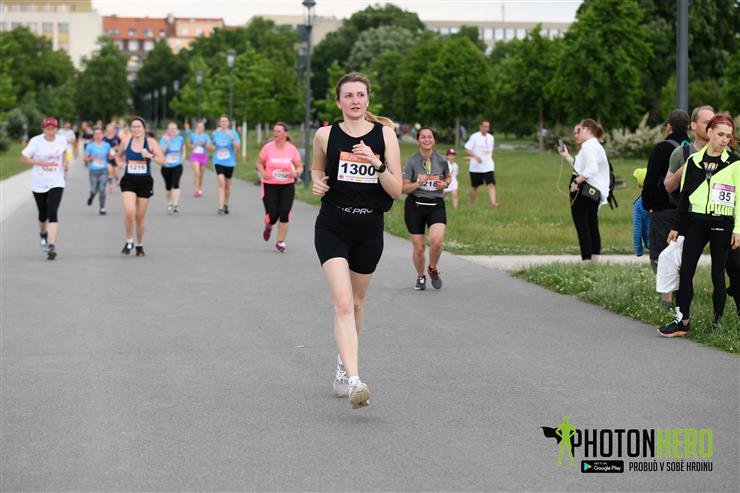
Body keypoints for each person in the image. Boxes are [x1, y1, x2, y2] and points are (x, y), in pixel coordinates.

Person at [311, 72, 402, 409]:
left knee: (358, 304)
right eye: (348, 95)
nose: (355, 101)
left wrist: (375, 162)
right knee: (343, 303)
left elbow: (396, 189)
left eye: (360, 95)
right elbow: (316, 170)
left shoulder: (385, 134)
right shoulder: (325, 135)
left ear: (368, 99)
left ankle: (341, 364)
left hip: (369, 230)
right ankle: (354, 380)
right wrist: (317, 183)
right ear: (339, 102)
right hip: (332, 226)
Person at [660, 114, 739, 336]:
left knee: (717, 274)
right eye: (720, 134)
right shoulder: (693, 161)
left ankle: (717, 324)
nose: (724, 139)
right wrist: (676, 227)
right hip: (697, 221)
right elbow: (684, 197)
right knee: (686, 271)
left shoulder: (735, 163)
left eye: (728, 136)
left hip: (722, 222)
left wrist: (738, 229)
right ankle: (682, 321)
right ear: (710, 132)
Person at [641, 109, 691, 308]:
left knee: (662, 253)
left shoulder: (662, 148)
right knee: (684, 253)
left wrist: (647, 204)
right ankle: (684, 296)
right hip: (688, 210)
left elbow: (651, 179)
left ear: (669, 126)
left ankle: (667, 300)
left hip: (664, 208)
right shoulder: (693, 148)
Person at [402, 127, 451, 290]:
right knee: (419, 247)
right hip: (415, 206)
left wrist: (445, 184)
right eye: (423, 137)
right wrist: (418, 183)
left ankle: (432, 268)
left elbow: (448, 177)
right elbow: (403, 188)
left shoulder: (442, 160)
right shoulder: (411, 161)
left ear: (434, 140)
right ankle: (421, 276)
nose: (427, 139)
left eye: (430, 137)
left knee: (436, 242)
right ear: (418, 141)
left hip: (436, 205)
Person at [557, 119, 610, 261]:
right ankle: (594, 260)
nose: (576, 135)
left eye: (578, 131)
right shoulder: (594, 145)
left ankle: (586, 260)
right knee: (592, 225)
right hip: (594, 192)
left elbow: (591, 169)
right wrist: (567, 156)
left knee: (583, 227)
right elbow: (581, 167)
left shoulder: (589, 146)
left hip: (584, 191)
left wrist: (576, 182)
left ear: (586, 129)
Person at [115, 117, 166, 257]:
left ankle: (140, 245)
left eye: (139, 126)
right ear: (130, 129)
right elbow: (118, 156)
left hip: (145, 182)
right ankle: (129, 240)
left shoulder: (151, 143)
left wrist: (150, 155)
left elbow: (163, 161)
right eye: (134, 127)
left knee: (139, 217)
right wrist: (119, 163)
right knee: (129, 212)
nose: (136, 129)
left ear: (144, 129)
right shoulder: (126, 142)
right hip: (129, 181)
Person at [19, 117, 69, 260]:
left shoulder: (62, 140)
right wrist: (37, 162)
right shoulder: (36, 141)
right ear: (43, 129)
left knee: (53, 213)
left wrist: (66, 162)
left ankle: (51, 246)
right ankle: (43, 234)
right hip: (39, 183)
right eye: (47, 129)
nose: (50, 131)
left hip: (57, 181)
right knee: (43, 214)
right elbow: (23, 159)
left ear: (56, 129)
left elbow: (64, 152)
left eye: (53, 129)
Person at [256, 122, 304, 252]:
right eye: (274, 131)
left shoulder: (291, 149)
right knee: (272, 216)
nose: (275, 133)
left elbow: (299, 166)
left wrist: (296, 173)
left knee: (284, 214)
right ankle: (268, 227)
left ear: (285, 133)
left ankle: (280, 242)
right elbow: (259, 163)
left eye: (278, 131)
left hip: (287, 185)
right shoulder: (268, 147)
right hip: (269, 185)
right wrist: (263, 173)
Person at [209, 115, 240, 215]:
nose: (223, 123)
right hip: (218, 161)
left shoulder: (233, 133)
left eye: (225, 121)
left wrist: (232, 138)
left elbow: (237, 147)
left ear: (228, 123)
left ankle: (226, 203)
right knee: (221, 183)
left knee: (227, 185)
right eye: (222, 121)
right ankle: (220, 206)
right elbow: (212, 145)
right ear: (219, 123)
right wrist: (210, 146)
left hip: (230, 162)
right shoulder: (215, 133)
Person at [464, 120, 499, 208]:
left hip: (488, 166)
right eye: (485, 126)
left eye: (488, 127)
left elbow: (491, 150)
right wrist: (476, 157)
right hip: (476, 167)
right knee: (474, 186)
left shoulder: (491, 138)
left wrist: (491, 158)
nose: (487, 129)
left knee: (491, 184)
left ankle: (494, 203)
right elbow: (467, 149)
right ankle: (473, 205)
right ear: (480, 127)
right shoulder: (474, 137)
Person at [83, 126, 111, 215]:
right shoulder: (90, 146)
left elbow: (109, 157)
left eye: (100, 134)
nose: (98, 135)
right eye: (96, 134)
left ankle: (102, 208)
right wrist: (91, 158)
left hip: (104, 170)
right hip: (93, 171)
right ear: (94, 136)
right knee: (94, 189)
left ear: (103, 135)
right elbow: (85, 159)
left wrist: (114, 156)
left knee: (102, 189)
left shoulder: (107, 145)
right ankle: (92, 195)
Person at [159, 122, 186, 214]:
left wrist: (183, 157)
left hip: (177, 165)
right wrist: (167, 142)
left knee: (176, 184)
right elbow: (161, 152)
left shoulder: (180, 138)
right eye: (170, 129)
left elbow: (183, 148)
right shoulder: (164, 139)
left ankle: (175, 204)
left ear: (177, 129)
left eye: (174, 129)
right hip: (166, 166)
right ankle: (169, 203)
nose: (172, 130)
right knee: (168, 186)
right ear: (167, 130)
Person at [188, 120, 210, 197]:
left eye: (201, 126)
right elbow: (189, 145)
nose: (200, 128)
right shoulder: (193, 135)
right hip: (195, 155)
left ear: (203, 127)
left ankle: (200, 188)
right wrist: (192, 146)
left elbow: (209, 147)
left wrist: (204, 143)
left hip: (203, 155)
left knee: (201, 174)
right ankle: (196, 190)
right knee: (197, 173)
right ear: (197, 127)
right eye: (199, 126)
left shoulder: (206, 136)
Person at [632, 168, 650, 257]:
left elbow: (637, 230)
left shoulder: (638, 204)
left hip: (651, 244)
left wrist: (638, 251)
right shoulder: (662, 198)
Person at [103, 123, 121, 194]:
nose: (110, 130)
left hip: (115, 157)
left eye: (111, 128)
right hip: (108, 157)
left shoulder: (116, 138)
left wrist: (116, 152)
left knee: (116, 172)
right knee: (110, 171)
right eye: (108, 128)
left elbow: (121, 146)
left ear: (113, 129)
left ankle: (117, 179)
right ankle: (110, 186)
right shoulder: (104, 138)